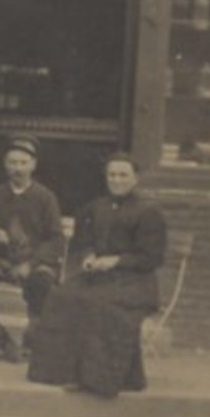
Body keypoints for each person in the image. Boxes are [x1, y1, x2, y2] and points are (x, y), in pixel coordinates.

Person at [27, 154, 169, 399]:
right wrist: (89, 256)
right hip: (100, 278)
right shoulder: (96, 207)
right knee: (62, 296)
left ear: (135, 178)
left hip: (135, 282)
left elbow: (152, 258)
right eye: (112, 175)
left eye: (123, 175)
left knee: (96, 304)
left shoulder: (149, 212)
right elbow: (84, 242)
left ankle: (96, 379)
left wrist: (117, 260)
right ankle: (61, 372)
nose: (117, 180)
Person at [0, 135, 66, 364]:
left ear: (33, 165)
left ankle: (34, 342)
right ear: (5, 165)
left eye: (23, 163)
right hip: (2, 259)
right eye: (12, 163)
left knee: (42, 285)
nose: (18, 169)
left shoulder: (45, 198)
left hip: (37, 260)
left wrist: (32, 263)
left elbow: (56, 239)